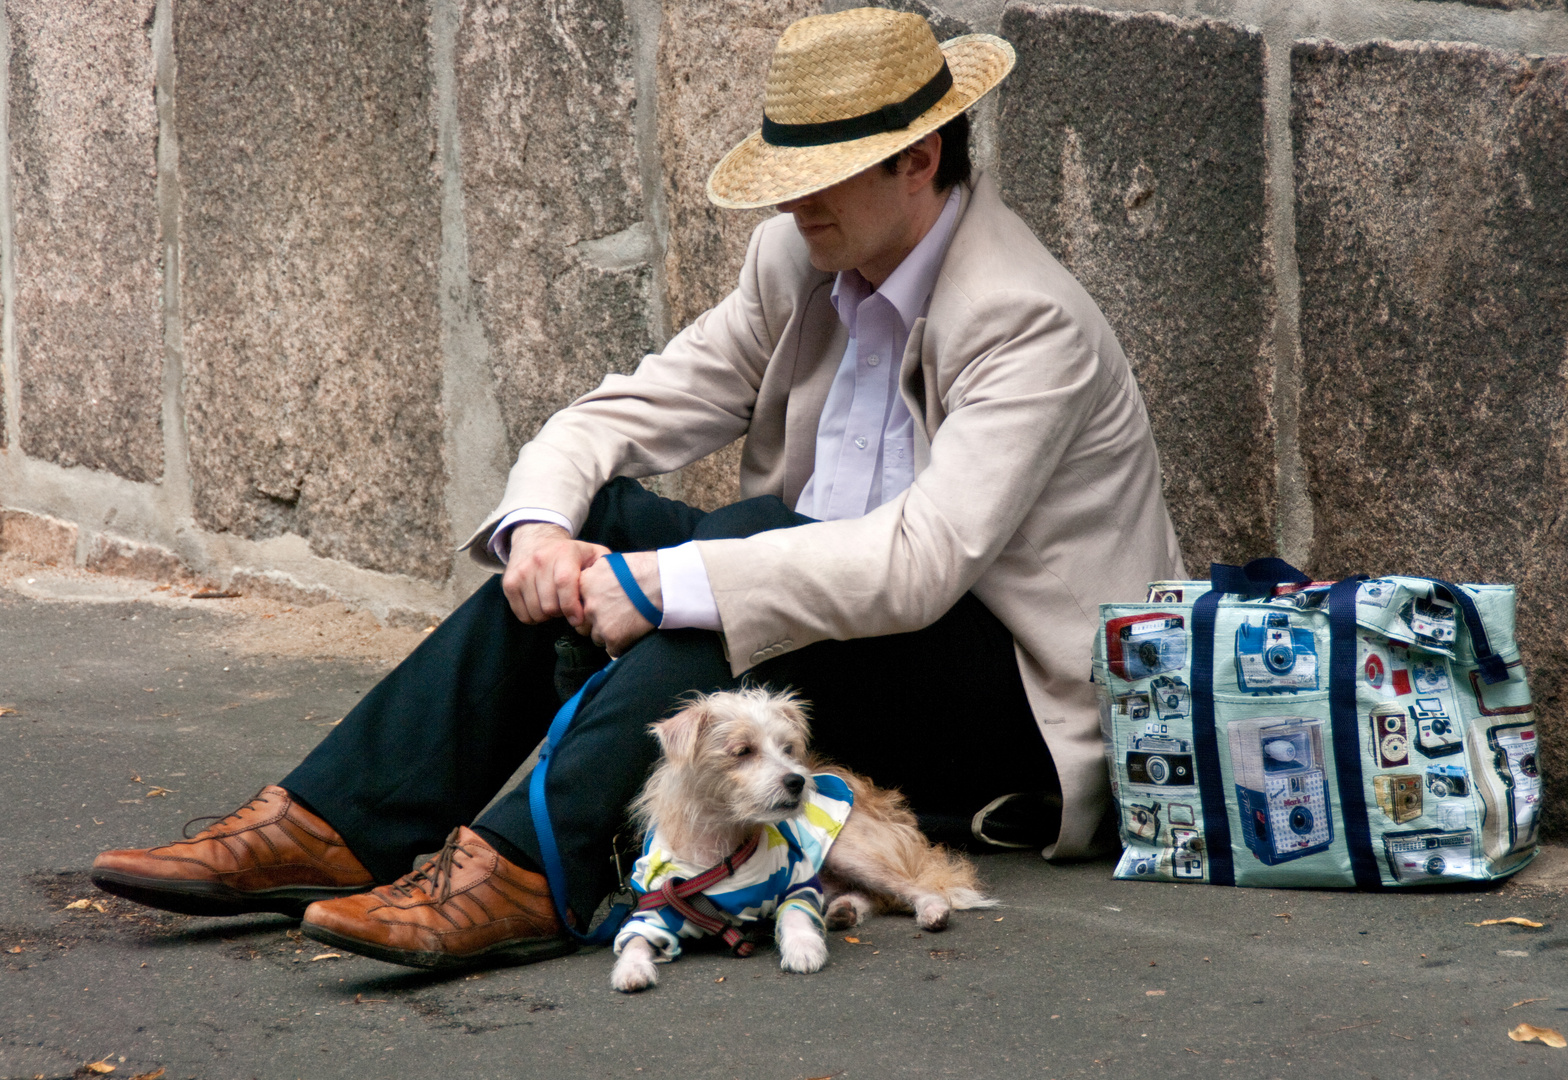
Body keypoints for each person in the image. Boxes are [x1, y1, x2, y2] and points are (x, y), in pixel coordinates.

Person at [90, 7, 1183, 969]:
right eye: (783, 169)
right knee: (608, 515)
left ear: (921, 157)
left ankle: (521, 875)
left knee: (738, 553)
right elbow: (618, 414)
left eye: (824, 169)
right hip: (838, 661)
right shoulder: (797, 260)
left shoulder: (1021, 316)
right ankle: (334, 824)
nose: (795, 198)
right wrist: (539, 533)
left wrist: (664, 583)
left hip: (1005, 713)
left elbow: (915, 567)